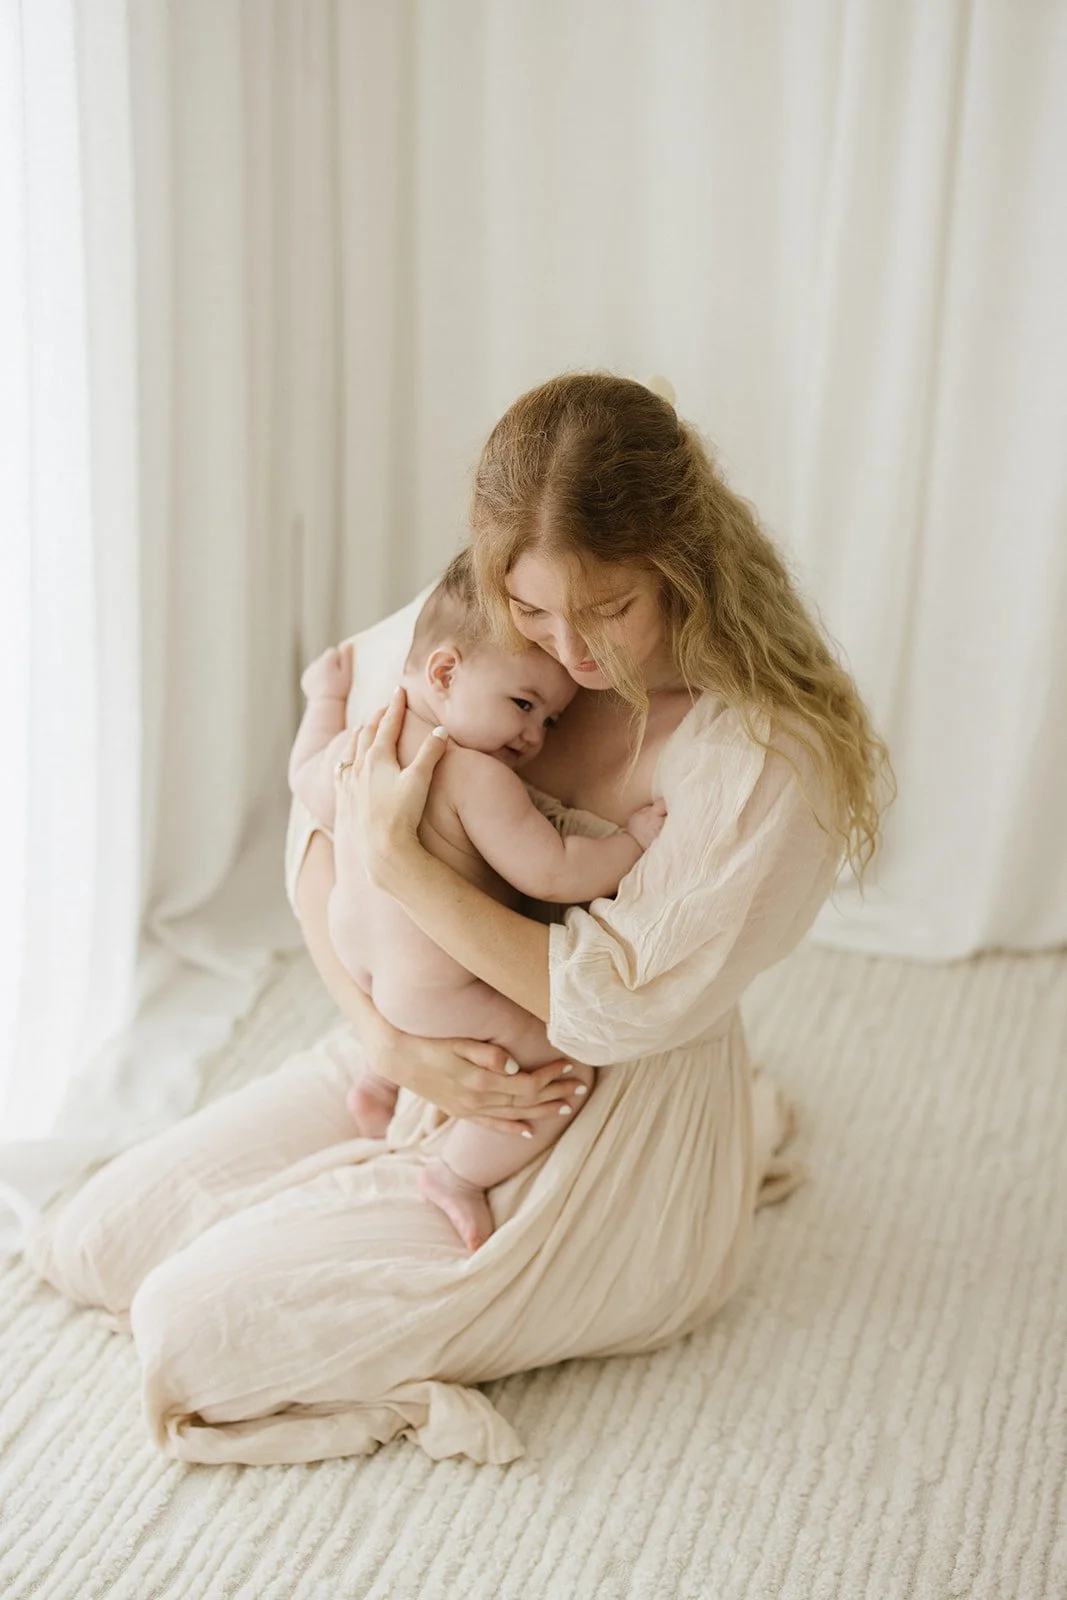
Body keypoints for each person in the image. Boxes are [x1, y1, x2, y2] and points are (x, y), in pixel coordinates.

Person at [23, 374, 891, 1467]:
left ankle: (683, 1183)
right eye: (534, 610)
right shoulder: (476, 637)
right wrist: (384, 1037)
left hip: (583, 1105)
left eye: (608, 609)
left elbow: (616, 1010)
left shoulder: (755, 753)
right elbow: (321, 846)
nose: (569, 656)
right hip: (413, 1037)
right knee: (95, 1241)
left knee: (190, 1333)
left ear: (681, 562)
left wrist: (407, 862)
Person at [287, 552, 666, 1250]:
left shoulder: (361, 741)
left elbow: (303, 781)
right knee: (564, 1069)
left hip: (359, 959)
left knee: (404, 989)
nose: (533, 735)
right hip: (432, 989)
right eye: (524, 705)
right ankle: (457, 1175)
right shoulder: (476, 777)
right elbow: (551, 871)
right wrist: (631, 845)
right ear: (442, 672)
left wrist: (324, 701)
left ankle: (378, 1081)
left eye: (550, 721)